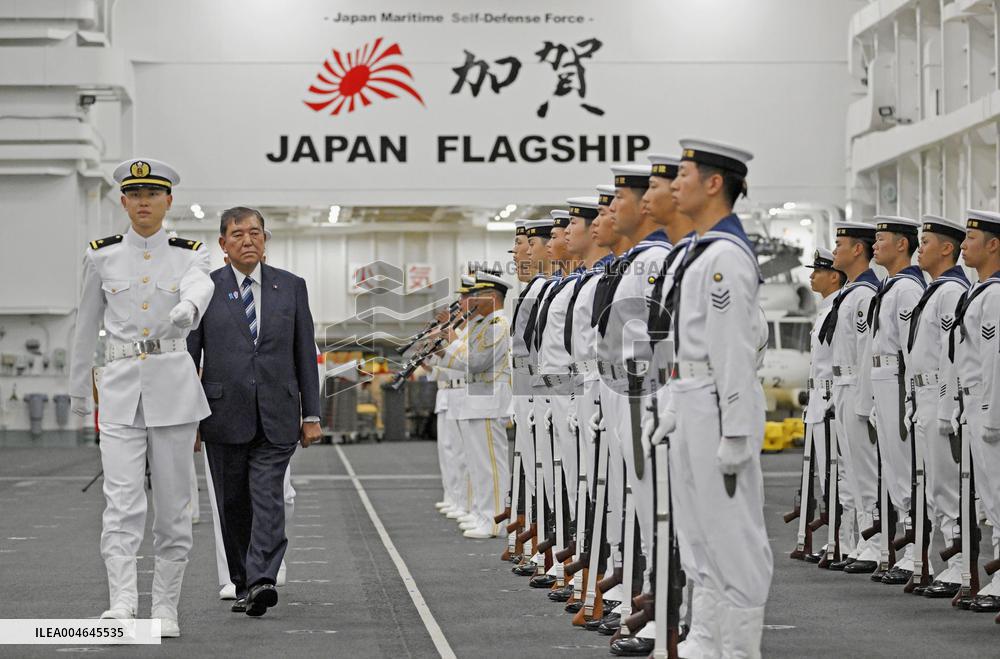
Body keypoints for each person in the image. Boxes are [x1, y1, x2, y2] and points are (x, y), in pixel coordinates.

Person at [69, 158, 214, 637]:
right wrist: (77, 395)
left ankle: (165, 609)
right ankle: (122, 604)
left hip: (173, 390)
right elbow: (84, 327)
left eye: (153, 194)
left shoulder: (189, 253)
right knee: (122, 501)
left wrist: (189, 306)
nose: (144, 203)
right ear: (123, 201)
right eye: (135, 195)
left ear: (168, 201)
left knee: (173, 507)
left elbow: (201, 282)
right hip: (119, 390)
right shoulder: (101, 255)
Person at [659, 138, 771, 656]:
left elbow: (732, 353)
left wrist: (737, 431)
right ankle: (706, 637)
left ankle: (740, 650)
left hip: (714, 402)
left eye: (683, 174)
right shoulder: (699, 252)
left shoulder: (724, 257)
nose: (675, 184)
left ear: (713, 183)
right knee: (699, 533)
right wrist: (670, 403)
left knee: (734, 539)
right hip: (690, 397)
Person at [186, 206, 321, 617]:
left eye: (256, 233)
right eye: (239, 234)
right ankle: (243, 582)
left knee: (267, 496)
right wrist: (187, 419)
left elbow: (304, 353)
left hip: (278, 414)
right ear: (223, 244)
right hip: (222, 414)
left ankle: (263, 577)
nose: (249, 240)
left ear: (266, 241)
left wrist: (311, 415)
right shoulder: (204, 290)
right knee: (233, 505)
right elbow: (189, 358)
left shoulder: (292, 287)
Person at [908, 215, 969, 597]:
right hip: (924, 397)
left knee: (947, 485)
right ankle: (947, 561)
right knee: (934, 487)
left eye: (926, 241)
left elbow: (952, 358)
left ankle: (961, 563)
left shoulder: (949, 293)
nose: (920, 248)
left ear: (948, 248)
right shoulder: (935, 291)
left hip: (938, 396)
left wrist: (946, 408)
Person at [867, 216, 926, 584]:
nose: (875, 244)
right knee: (892, 465)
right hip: (882, 378)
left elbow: (910, 348)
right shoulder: (891, 286)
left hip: (897, 377)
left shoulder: (906, 290)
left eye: (881, 238)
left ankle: (916, 551)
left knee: (904, 468)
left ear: (902, 244)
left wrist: (908, 396)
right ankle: (908, 547)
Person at [822, 221, 882, 574]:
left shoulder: (864, 294)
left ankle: (874, 540)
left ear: (858, 249)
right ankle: (864, 537)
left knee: (865, 469)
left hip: (857, 388)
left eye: (840, 243)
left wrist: (864, 401)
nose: (835, 251)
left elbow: (865, 352)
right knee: (851, 471)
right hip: (842, 388)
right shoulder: (850, 292)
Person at [438, 270, 513, 538]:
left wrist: (451, 343)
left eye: (476, 295)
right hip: (477, 399)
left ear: (492, 297)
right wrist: (444, 350)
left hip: (489, 401)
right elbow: (465, 361)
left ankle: (496, 521)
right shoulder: (482, 324)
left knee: (489, 465)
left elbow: (477, 361)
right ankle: (484, 515)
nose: (469, 300)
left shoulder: (498, 325)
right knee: (477, 465)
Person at [953, 210, 1000, 613]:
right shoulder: (980, 291)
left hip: (989, 406)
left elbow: (994, 359)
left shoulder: (997, 295)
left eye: (971, 238)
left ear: (993, 245)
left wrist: (990, 413)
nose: (963, 246)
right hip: (973, 402)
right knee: (989, 495)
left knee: (999, 494)